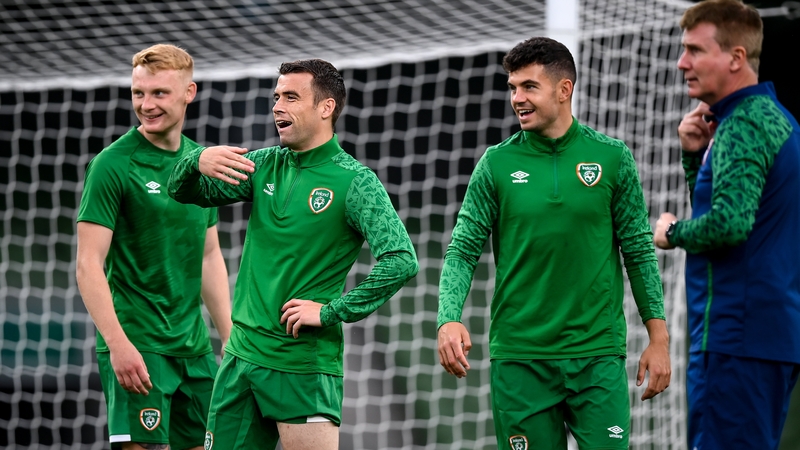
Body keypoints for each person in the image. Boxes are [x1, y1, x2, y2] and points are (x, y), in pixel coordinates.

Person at [167, 58, 418, 450]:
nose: (277, 106)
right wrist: (193, 161)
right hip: (241, 358)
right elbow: (183, 192)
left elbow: (401, 260)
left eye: (291, 97)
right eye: (276, 96)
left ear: (326, 107)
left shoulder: (356, 181)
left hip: (301, 365)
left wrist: (331, 311)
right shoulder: (264, 164)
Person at [437, 37, 671, 449]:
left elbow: (638, 250)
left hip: (597, 356)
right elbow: (461, 251)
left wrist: (659, 338)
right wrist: (448, 317)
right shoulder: (496, 164)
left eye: (529, 86)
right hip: (521, 359)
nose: (517, 98)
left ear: (564, 90)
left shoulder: (613, 157)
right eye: (513, 87)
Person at [653, 1, 800, 448]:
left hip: (736, 337)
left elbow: (731, 224)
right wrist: (696, 156)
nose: (682, 63)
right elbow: (740, 212)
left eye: (696, 50)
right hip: (760, 335)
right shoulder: (772, 117)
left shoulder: (744, 125)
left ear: (736, 58)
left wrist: (672, 233)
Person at [76, 44, 233, 450]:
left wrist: (231, 337)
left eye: (159, 93)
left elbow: (208, 255)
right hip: (138, 343)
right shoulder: (112, 165)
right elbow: (88, 264)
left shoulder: (201, 162)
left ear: (189, 92)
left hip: (194, 348)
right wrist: (118, 344)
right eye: (138, 93)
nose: (146, 105)